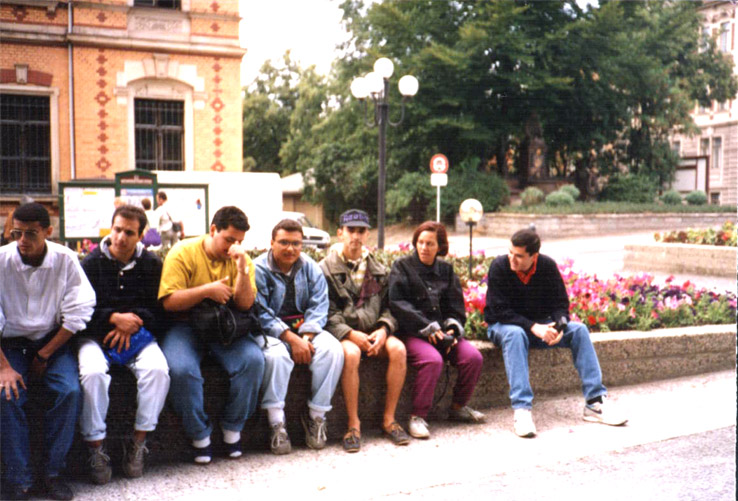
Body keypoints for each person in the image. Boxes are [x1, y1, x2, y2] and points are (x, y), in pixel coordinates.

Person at [484, 228, 627, 438]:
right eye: (510, 252)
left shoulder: (547, 266)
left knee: (579, 330)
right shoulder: (500, 266)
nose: (512, 258)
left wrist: (559, 327)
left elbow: (561, 305)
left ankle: (594, 403)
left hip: (538, 327)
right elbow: (499, 310)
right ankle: (522, 409)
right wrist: (533, 326)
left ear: (534, 256)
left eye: (519, 256)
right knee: (515, 334)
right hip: (503, 325)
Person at [0, 203, 96, 500]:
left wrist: (45, 354)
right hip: (10, 344)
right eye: (16, 233)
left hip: (51, 342)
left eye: (30, 234)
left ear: (48, 232)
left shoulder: (65, 260)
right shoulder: (1, 261)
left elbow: (79, 312)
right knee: (6, 395)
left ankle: (54, 473)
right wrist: (4, 368)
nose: (22, 240)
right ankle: (20, 479)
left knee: (69, 392)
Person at [158, 206, 264, 464]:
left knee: (253, 361)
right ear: (213, 229)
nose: (233, 247)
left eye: (239, 241)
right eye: (229, 239)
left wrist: (242, 269)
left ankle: (233, 427)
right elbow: (169, 302)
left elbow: (245, 305)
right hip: (186, 325)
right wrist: (207, 291)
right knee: (181, 370)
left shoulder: (241, 260)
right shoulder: (182, 252)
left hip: (224, 327)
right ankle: (199, 434)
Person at [79, 205, 170, 484]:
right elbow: (78, 311)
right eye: (117, 229)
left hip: (137, 336)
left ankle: (138, 443)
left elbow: (161, 311)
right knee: (92, 374)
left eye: (129, 233)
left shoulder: (151, 264)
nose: (120, 237)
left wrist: (135, 321)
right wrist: (113, 318)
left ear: (141, 236)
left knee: (158, 371)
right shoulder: (90, 264)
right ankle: (96, 448)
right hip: (96, 336)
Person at [319, 209, 409, 452]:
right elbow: (326, 311)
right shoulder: (325, 269)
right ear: (340, 233)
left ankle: (389, 419)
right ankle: (353, 424)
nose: (356, 236)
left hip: (374, 332)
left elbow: (391, 307)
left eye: (361, 231)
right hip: (345, 334)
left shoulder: (379, 269)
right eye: (351, 230)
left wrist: (383, 329)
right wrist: (349, 334)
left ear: (367, 234)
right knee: (350, 354)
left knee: (399, 349)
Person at [254, 219, 344, 454]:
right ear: (272, 243)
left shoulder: (310, 267)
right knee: (276, 357)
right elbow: (260, 313)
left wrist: (306, 337)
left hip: (305, 331)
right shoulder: (258, 269)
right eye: (284, 242)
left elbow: (319, 305)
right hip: (270, 333)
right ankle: (276, 422)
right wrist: (291, 339)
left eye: (296, 243)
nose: (290, 249)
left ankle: (316, 416)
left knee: (333, 350)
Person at [388, 221, 485, 439]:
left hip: (442, 333)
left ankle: (458, 407)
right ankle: (417, 416)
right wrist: (427, 327)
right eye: (420, 242)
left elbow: (456, 307)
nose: (424, 247)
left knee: (473, 358)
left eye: (430, 244)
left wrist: (451, 330)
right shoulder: (402, 266)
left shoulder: (447, 271)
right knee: (432, 360)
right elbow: (397, 304)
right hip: (413, 332)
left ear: (439, 246)